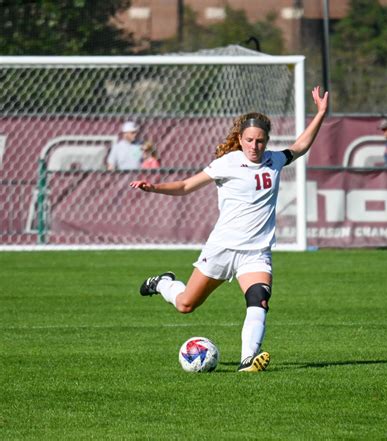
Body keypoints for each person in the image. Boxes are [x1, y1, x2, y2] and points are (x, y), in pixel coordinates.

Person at [129, 86, 329, 372]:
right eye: (249, 140)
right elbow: (186, 186)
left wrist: (320, 113)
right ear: (240, 139)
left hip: (255, 253)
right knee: (186, 304)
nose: (254, 146)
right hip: (222, 248)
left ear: (267, 141)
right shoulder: (228, 163)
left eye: (260, 141)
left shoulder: (275, 160)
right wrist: (153, 187)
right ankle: (162, 282)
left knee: (259, 299)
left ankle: (248, 359)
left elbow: (300, 146)